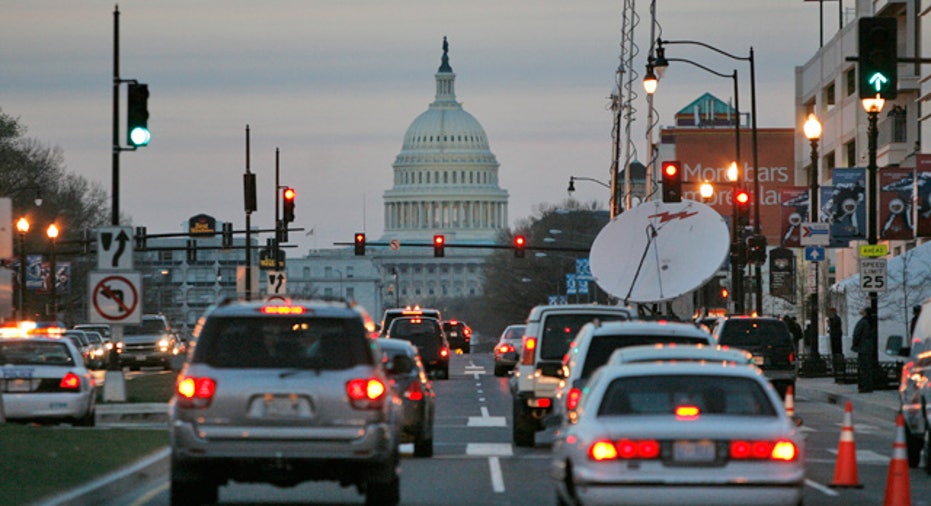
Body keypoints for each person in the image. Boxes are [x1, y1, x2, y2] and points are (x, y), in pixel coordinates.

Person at [851, 307, 877, 393]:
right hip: (869, 348)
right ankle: (869, 386)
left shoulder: (862, 322)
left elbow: (856, 334)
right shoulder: (872, 322)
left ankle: (864, 386)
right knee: (868, 368)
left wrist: (855, 344)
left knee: (863, 368)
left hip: (863, 348)